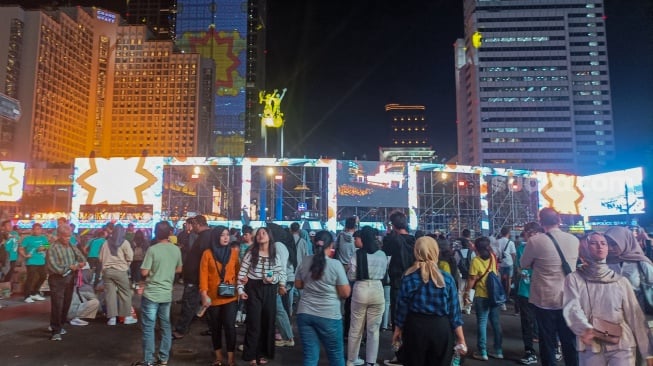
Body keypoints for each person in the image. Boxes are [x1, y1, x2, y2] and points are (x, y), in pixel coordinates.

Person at [563, 232, 653, 365]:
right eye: (593, 243)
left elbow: (635, 317)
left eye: (603, 243)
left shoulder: (620, 281)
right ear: (584, 248)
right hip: (591, 343)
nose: (600, 246)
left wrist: (648, 352)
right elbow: (572, 308)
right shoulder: (574, 279)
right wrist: (585, 329)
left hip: (622, 342)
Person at [393, 236, 466, 366]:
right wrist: (461, 339)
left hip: (415, 328)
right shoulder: (447, 279)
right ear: (435, 252)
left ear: (416, 252)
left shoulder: (408, 277)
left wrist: (398, 330)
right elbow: (454, 313)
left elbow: (401, 309)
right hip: (441, 329)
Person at [520, 207, 580, 366]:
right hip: (568, 297)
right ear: (559, 220)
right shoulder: (574, 240)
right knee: (570, 342)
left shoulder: (536, 241)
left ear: (541, 222)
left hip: (544, 299)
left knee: (547, 342)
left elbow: (523, 263)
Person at [295, 230, 351, 366]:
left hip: (305, 313)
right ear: (331, 245)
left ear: (314, 243)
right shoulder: (335, 264)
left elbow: (298, 284)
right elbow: (345, 293)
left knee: (310, 356)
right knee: (336, 356)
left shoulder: (305, 260)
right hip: (329, 315)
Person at [134, 221, 183, 366]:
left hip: (152, 293)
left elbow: (144, 271)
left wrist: (156, 270)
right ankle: (164, 358)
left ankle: (148, 360)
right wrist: (167, 270)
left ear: (156, 233)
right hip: (166, 293)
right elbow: (179, 269)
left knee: (149, 327)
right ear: (170, 233)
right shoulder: (176, 250)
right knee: (165, 326)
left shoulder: (153, 250)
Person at [237, 227, 286, 366]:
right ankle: (251, 355)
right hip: (253, 289)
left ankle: (261, 354)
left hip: (270, 290)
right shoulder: (251, 253)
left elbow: (280, 272)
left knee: (268, 322)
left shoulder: (274, 254)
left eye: (264, 233)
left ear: (269, 237)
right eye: (258, 234)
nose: (260, 235)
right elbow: (242, 273)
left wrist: (276, 281)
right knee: (254, 323)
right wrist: (241, 290)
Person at [347, 226, 388, 366]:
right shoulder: (382, 254)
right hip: (377, 290)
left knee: (355, 328)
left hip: (360, 289)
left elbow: (351, 276)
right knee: (373, 329)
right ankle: (371, 361)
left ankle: (351, 360)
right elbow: (383, 274)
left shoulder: (357, 254)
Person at [199, 226, 240, 366]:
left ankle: (231, 359)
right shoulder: (207, 254)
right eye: (222, 235)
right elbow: (203, 276)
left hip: (231, 297)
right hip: (213, 298)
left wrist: (241, 285)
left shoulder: (233, 253)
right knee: (215, 328)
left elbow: (238, 271)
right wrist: (204, 294)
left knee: (229, 326)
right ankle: (218, 358)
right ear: (216, 237)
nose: (226, 237)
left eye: (227, 235)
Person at [382, 211, 416, 366]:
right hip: (414, 283)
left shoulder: (392, 240)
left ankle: (399, 354)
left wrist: (388, 233)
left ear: (393, 225)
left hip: (397, 283)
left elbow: (385, 252)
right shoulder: (415, 240)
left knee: (398, 320)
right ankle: (411, 352)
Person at [463, 236, 503, 360]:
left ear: (476, 247)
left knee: (482, 322)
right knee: (496, 323)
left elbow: (472, 279)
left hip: (481, 294)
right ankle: (498, 350)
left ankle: (483, 351)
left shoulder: (476, 260)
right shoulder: (492, 257)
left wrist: (466, 292)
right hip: (494, 295)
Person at [173, 214, 212, 339]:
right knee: (202, 303)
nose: (191, 227)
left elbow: (203, 259)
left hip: (196, 277)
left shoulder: (204, 238)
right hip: (197, 276)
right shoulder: (205, 236)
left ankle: (181, 330)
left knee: (189, 303)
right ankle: (211, 326)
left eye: (193, 224)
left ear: (197, 224)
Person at [45, 223, 86, 340]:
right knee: (57, 304)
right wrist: (70, 266)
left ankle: (61, 324)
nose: (68, 238)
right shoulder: (52, 247)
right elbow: (54, 267)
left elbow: (82, 258)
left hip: (70, 278)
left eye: (69, 236)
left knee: (66, 303)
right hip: (57, 279)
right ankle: (55, 330)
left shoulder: (72, 246)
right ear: (59, 235)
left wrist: (80, 264)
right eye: (65, 236)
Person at [604, 226, 653, 313]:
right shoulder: (604, 262)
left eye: (614, 244)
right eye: (607, 244)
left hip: (638, 310)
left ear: (625, 242)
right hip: (610, 311)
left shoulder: (640, 262)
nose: (610, 248)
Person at [516, 222, 543, 365]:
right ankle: (529, 352)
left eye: (534, 233)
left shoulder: (545, 247)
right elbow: (519, 268)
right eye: (529, 233)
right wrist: (524, 273)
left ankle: (553, 348)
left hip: (543, 291)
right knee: (527, 323)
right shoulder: (521, 248)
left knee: (545, 322)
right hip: (525, 291)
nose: (531, 236)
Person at [99, 224, 136, 326]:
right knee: (125, 293)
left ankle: (112, 319)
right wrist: (126, 265)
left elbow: (100, 258)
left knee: (110, 294)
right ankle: (127, 317)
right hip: (120, 271)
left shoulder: (106, 242)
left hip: (107, 271)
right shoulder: (124, 243)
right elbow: (130, 257)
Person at [19, 223, 50, 303]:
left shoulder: (44, 238)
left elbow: (48, 245)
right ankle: (27, 296)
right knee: (30, 278)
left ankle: (35, 293)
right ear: (32, 230)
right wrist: (25, 255)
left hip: (41, 261)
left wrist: (44, 247)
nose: (37, 231)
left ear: (41, 230)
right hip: (31, 261)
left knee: (43, 276)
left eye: (39, 229)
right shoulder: (28, 239)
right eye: (36, 229)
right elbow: (21, 248)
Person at [493, 227, 516, 311]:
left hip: (499, 264)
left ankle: (500, 298)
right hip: (509, 263)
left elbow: (494, 253)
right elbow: (513, 254)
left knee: (499, 281)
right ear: (508, 233)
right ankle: (507, 297)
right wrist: (513, 263)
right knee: (508, 281)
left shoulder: (497, 242)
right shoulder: (511, 242)